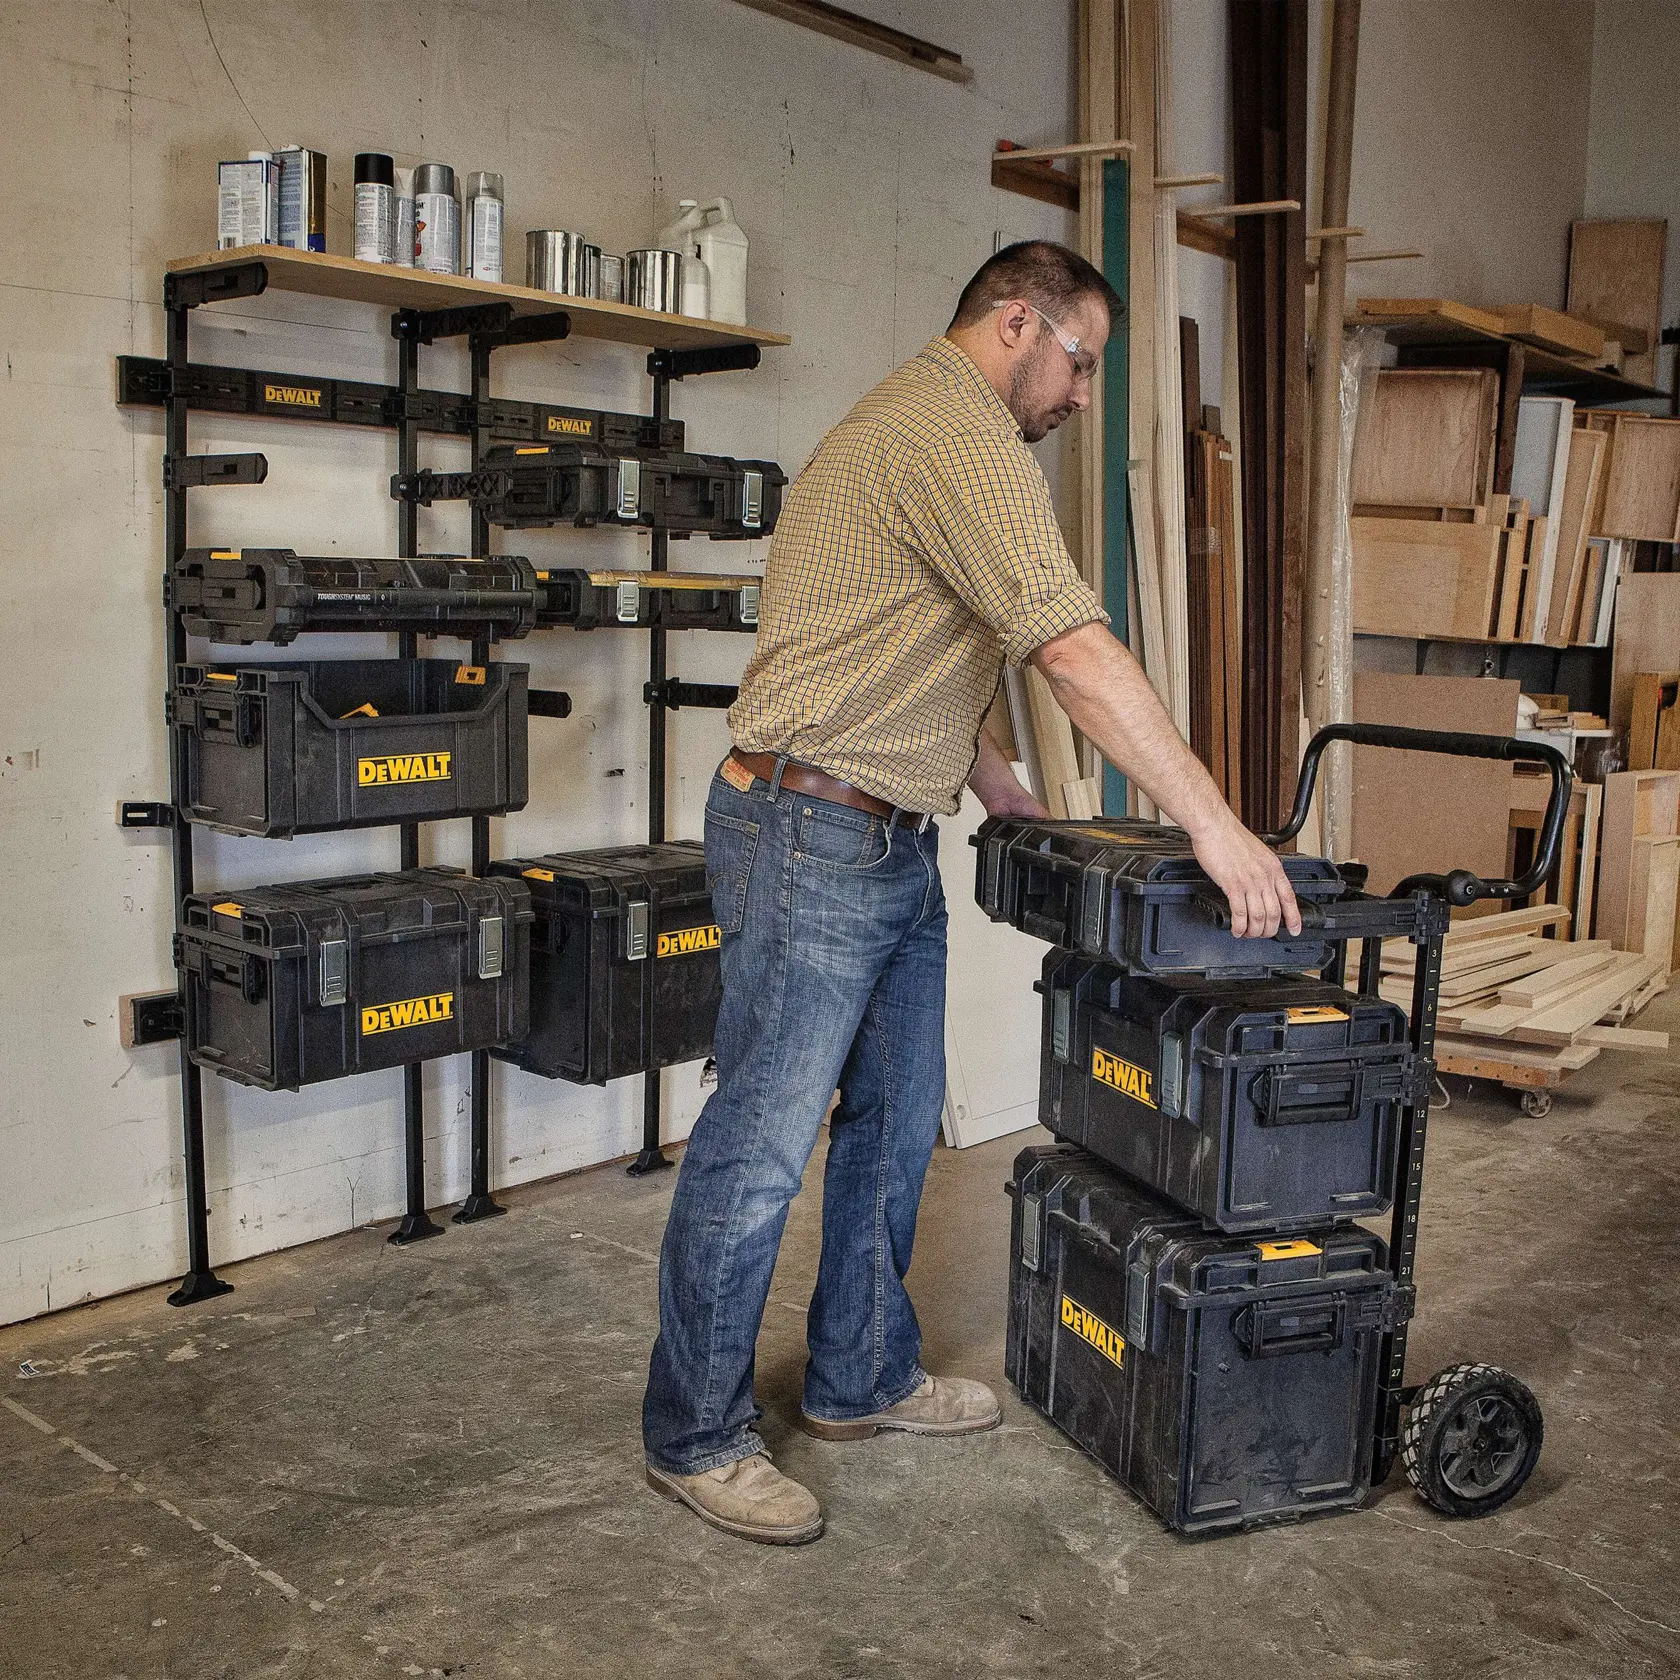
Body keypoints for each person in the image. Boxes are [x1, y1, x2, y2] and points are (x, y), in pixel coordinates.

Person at [642, 240, 1300, 1544]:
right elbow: (1072, 648)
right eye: (1081, 362)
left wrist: (999, 784)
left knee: (897, 1127)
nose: (1080, 395)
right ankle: (694, 1435)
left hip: (883, 835)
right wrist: (1214, 824)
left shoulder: (925, 426)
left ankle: (859, 1376)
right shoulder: (956, 433)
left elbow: (911, 634)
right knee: (759, 1147)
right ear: (1017, 324)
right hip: (807, 833)